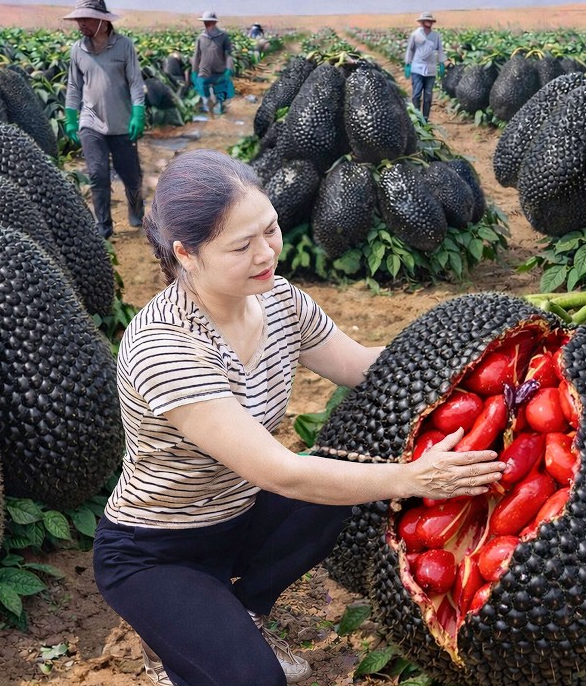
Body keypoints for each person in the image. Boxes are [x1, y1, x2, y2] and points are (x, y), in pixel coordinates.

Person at [93, 150, 507, 686]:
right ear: (186, 254)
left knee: (341, 483)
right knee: (256, 680)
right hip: (158, 550)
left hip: (238, 517)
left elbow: (363, 366)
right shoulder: (165, 348)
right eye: (242, 246)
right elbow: (278, 472)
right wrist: (412, 477)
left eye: (270, 229)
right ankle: (175, 641)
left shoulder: (280, 302)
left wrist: (484, 350)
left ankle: (244, 610)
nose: (267, 252)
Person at [63, 0, 146, 239]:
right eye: (79, 20)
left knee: (131, 176)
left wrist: (138, 113)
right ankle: (104, 226)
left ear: (102, 21)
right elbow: (74, 88)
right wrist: (70, 119)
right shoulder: (78, 50)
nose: (81, 24)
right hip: (91, 123)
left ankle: (136, 212)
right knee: (98, 175)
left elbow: (135, 83)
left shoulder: (124, 46)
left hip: (122, 124)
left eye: (87, 19)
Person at [403, 11, 446, 120]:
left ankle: (425, 118)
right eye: (427, 21)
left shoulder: (435, 36)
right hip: (417, 68)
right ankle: (417, 117)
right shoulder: (416, 35)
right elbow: (410, 50)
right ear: (422, 22)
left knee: (428, 95)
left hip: (431, 69)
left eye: (430, 21)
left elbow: (440, 50)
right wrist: (408, 64)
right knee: (416, 94)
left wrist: (441, 63)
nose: (429, 23)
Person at [191, 11, 234, 116]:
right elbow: (196, 55)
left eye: (209, 22)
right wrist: (194, 71)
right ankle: (208, 109)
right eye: (205, 22)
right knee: (203, 90)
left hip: (219, 70)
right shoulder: (201, 38)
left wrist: (228, 69)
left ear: (214, 23)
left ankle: (219, 108)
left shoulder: (223, 36)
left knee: (219, 91)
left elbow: (228, 54)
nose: (207, 24)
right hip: (204, 70)